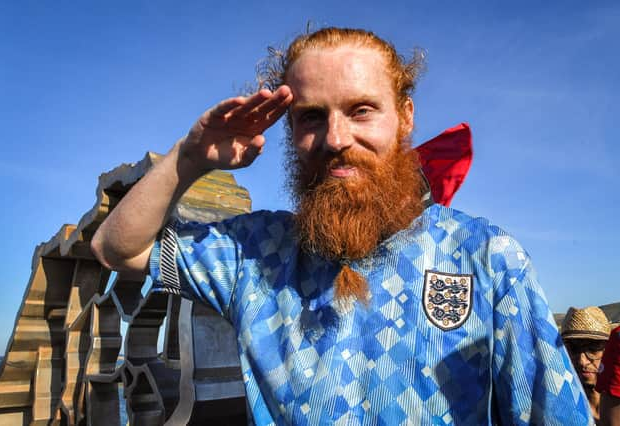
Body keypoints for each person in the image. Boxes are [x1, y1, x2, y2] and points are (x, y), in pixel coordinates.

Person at [91, 27, 592, 425]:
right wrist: (191, 155)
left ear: (405, 117)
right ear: (290, 130)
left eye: (362, 111)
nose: (335, 139)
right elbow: (117, 248)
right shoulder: (258, 255)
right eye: (311, 117)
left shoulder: (485, 255)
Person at [561, 306, 612, 422]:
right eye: (573, 349)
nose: (582, 361)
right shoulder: (559, 406)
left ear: (608, 350)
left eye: (593, 349)